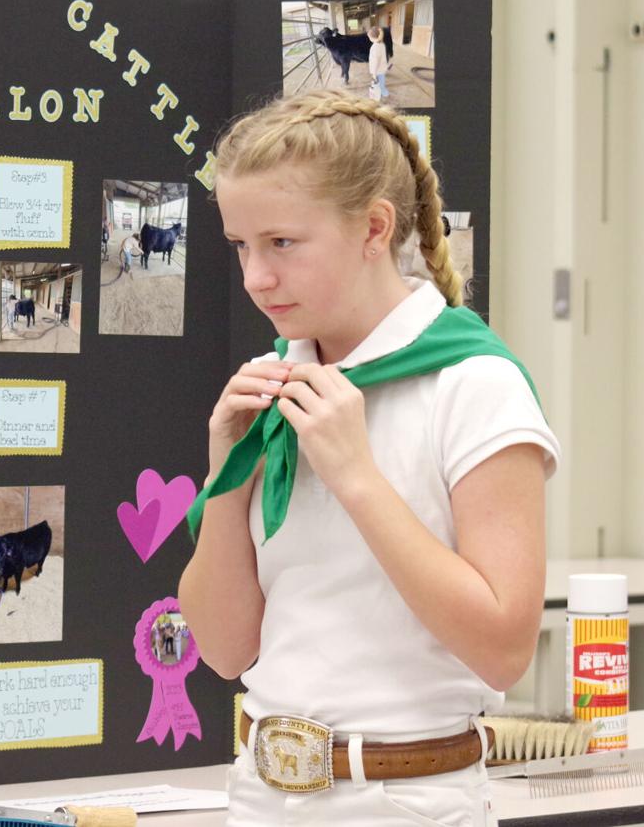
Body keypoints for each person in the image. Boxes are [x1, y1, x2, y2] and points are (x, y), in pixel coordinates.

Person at [179, 91, 559, 825]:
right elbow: (226, 652)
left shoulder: (475, 382)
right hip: (260, 794)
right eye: (241, 246)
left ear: (374, 229)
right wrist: (223, 475)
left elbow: (504, 648)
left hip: (407, 800)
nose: (256, 277)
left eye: (283, 243)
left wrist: (357, 478)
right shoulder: (279, 384)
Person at [368, 26, 389, 103]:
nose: (369, 38)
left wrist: (374, 74)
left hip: (377, 71)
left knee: (379, 86)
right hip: (382, 69)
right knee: (381, 84)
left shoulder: (375, 47)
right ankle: (383, 94)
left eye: (370, 37)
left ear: (373, 37)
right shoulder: (382, 44)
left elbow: (376, 61)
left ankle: (384, 95)